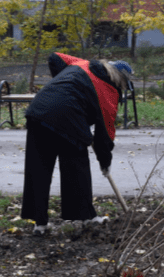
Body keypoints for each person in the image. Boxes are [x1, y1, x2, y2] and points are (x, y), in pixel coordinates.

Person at [21, 52, 133, 235]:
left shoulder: (82, 64)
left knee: (38, 169)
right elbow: (106, 133)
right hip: (69, 118)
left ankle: (39, 224)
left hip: (39, 110)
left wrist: (64, 83)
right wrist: (105, 162)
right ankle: (86, 217)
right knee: (76, 166)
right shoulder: (109, 91)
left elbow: (54, 58)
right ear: (119, 80)